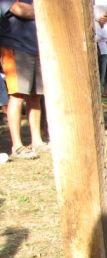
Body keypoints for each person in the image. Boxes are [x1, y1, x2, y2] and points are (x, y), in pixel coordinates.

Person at [0, 0, 49, 159]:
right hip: (15, 48)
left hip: (36, 48)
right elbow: (18, 9)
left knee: (35, 96)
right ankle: (17, 146)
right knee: (17, 96)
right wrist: (45, 12)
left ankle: (37, 141)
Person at [94, 5, 107, 96]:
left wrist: (102, 37)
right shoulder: (95, 22)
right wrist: (102, 36)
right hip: (100, 51)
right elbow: (97, 37)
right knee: (101, 73)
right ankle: (99, 91)